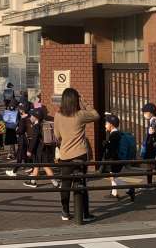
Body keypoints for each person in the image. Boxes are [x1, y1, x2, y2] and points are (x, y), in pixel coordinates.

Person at [53, 88, 99, 222]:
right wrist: (85, 103)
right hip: (80, 154)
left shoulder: (58, 115)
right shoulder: (80, 115)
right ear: (75, 100)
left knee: (65, 184)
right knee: (81, 183)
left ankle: (65, 211)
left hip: (65, 155)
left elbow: (57, 135)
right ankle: (85, 213)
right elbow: (96, 115)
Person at [102, 114, 135, 201]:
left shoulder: (114, 134)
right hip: (118, 158)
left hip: (115, 159)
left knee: (113, 177)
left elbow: (112, 148)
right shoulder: (117, 133)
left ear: (111, 124)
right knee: (112, 176)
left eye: (106, 123)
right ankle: (114, 193)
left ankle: (129, 189)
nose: (105, 125)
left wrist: (106, 144)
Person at [24, 108, 60, 189]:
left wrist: (29, 150)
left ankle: (56, 183)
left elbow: (34, 139)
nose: (30, 117)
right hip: (43, 149)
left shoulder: (36, 126)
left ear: (36, 117)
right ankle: (33, 182)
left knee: (45, 166)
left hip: (40, 150)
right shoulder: (42, 124)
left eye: (32, 116)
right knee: (37, 165)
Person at [6, 101, 31, 177]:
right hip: (27, 139)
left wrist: (16, 129)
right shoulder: (29, 116)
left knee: (19, 156)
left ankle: (14, 171)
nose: (18, 110)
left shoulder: (23, 119)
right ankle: (31, 168)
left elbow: (20, 131)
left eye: (20, 109)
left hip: (22, 139)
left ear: (22, 110)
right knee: (24, 155)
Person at [141, 103, 156, 185]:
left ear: (151, 112)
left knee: (154, 166)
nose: (144, 114)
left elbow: (153, 134)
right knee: (150, 165)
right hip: (152, 145)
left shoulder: (154, 121)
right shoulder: (153, 120)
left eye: (146, 112)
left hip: (153, 146)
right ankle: (149, 184)